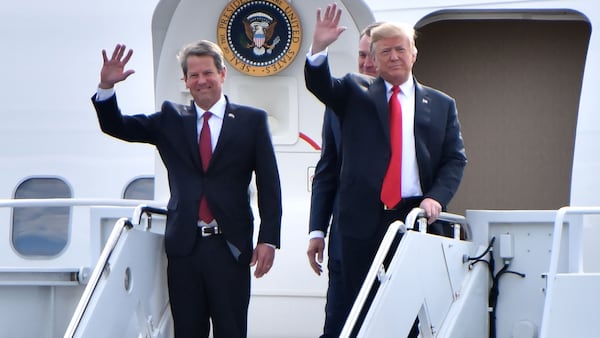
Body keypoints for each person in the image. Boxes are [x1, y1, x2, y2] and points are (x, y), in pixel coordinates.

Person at [92, 40, 282, 338]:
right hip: (185, 247)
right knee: (188, 331)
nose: (201, 81)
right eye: (193, 75)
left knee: (231, 331)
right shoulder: (171, 119)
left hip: (230, 246)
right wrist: (106, 87)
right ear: (185, 81)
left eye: (207, 73)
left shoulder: (251, 121)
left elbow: (270, 184)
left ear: (222, 74)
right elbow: (118, 126)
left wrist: (268, 239)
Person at [304, 3, 467, 336]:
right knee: (350, 313)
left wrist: (436, 197)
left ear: (414, 54)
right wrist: (318, 48)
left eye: (400, 49)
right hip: (360, 222)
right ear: (374, 59)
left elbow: (455, 159)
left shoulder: (440, 104)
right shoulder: (354, 92)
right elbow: (321, 86)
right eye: (385, 52)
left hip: (413, 220)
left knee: (406, 315)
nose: (394, 57)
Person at [306, 22, 381, 338]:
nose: (366, 63)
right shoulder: (341, 101)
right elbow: (327, 171)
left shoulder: (420, 105)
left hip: (393, 236)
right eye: (362, 55)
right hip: (345, 240)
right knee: (338, 326)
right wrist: (316, 230)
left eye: (373, 56)